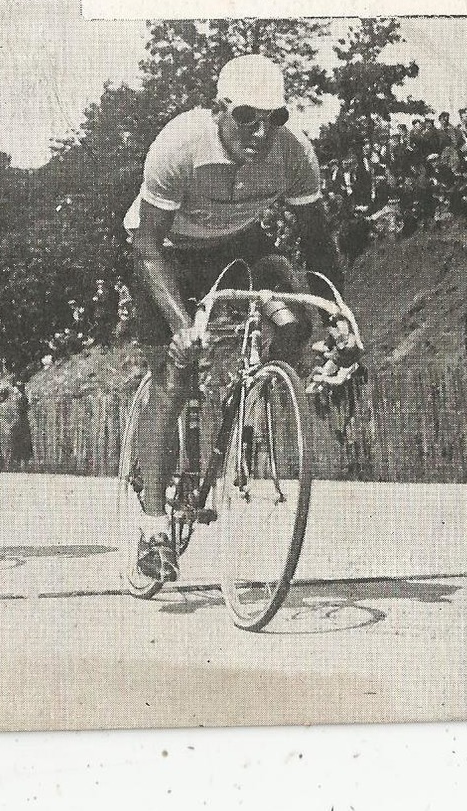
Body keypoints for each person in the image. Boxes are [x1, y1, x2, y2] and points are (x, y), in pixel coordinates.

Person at [124, 54, 345, 583]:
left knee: (296, 324)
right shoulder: (179, 145)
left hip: (236, 245)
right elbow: (147, 247)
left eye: (274, 117)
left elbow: (317, 246)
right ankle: (154, 530)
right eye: (246, 115)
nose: (260, 130)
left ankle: (254, 402)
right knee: (174, 380)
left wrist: (338, 317)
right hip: (166, 253)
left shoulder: (294, 156)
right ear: (220, 109)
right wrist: (182, 325)